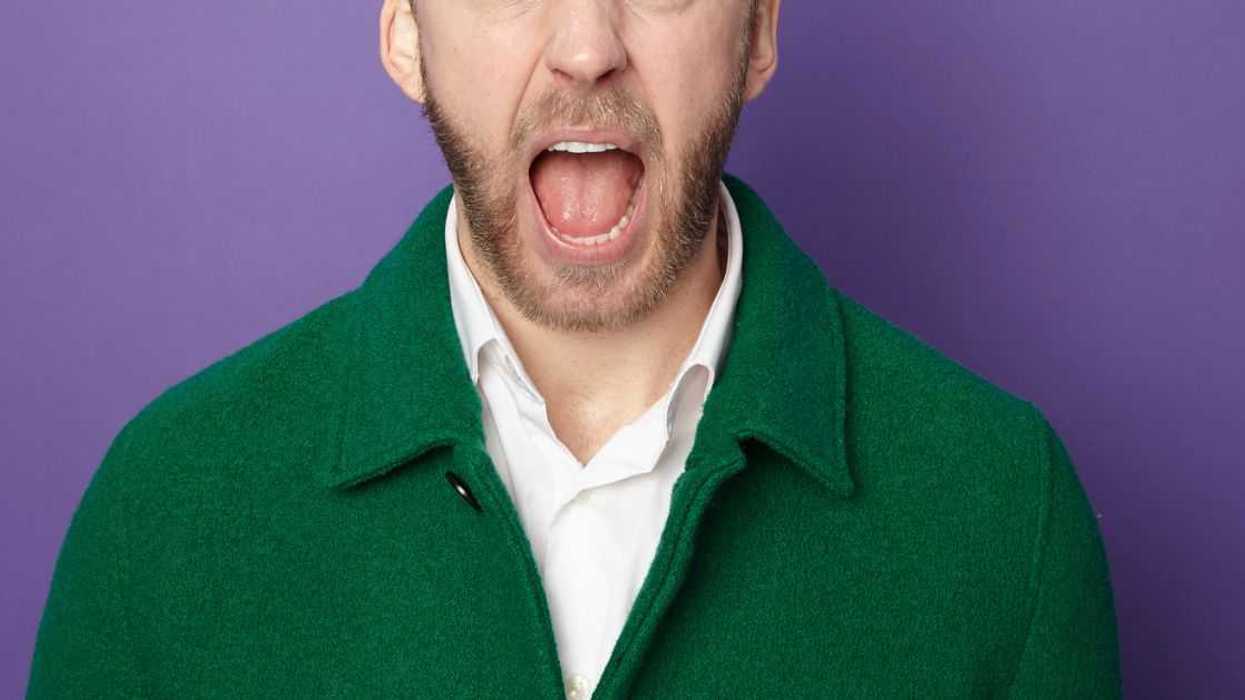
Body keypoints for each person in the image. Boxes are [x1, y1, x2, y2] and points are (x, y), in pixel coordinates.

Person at [28, 1, 1120, 697]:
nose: (590, 46)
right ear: (404, 30)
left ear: (761, 32)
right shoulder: (165, 514)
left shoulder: (999, 512)